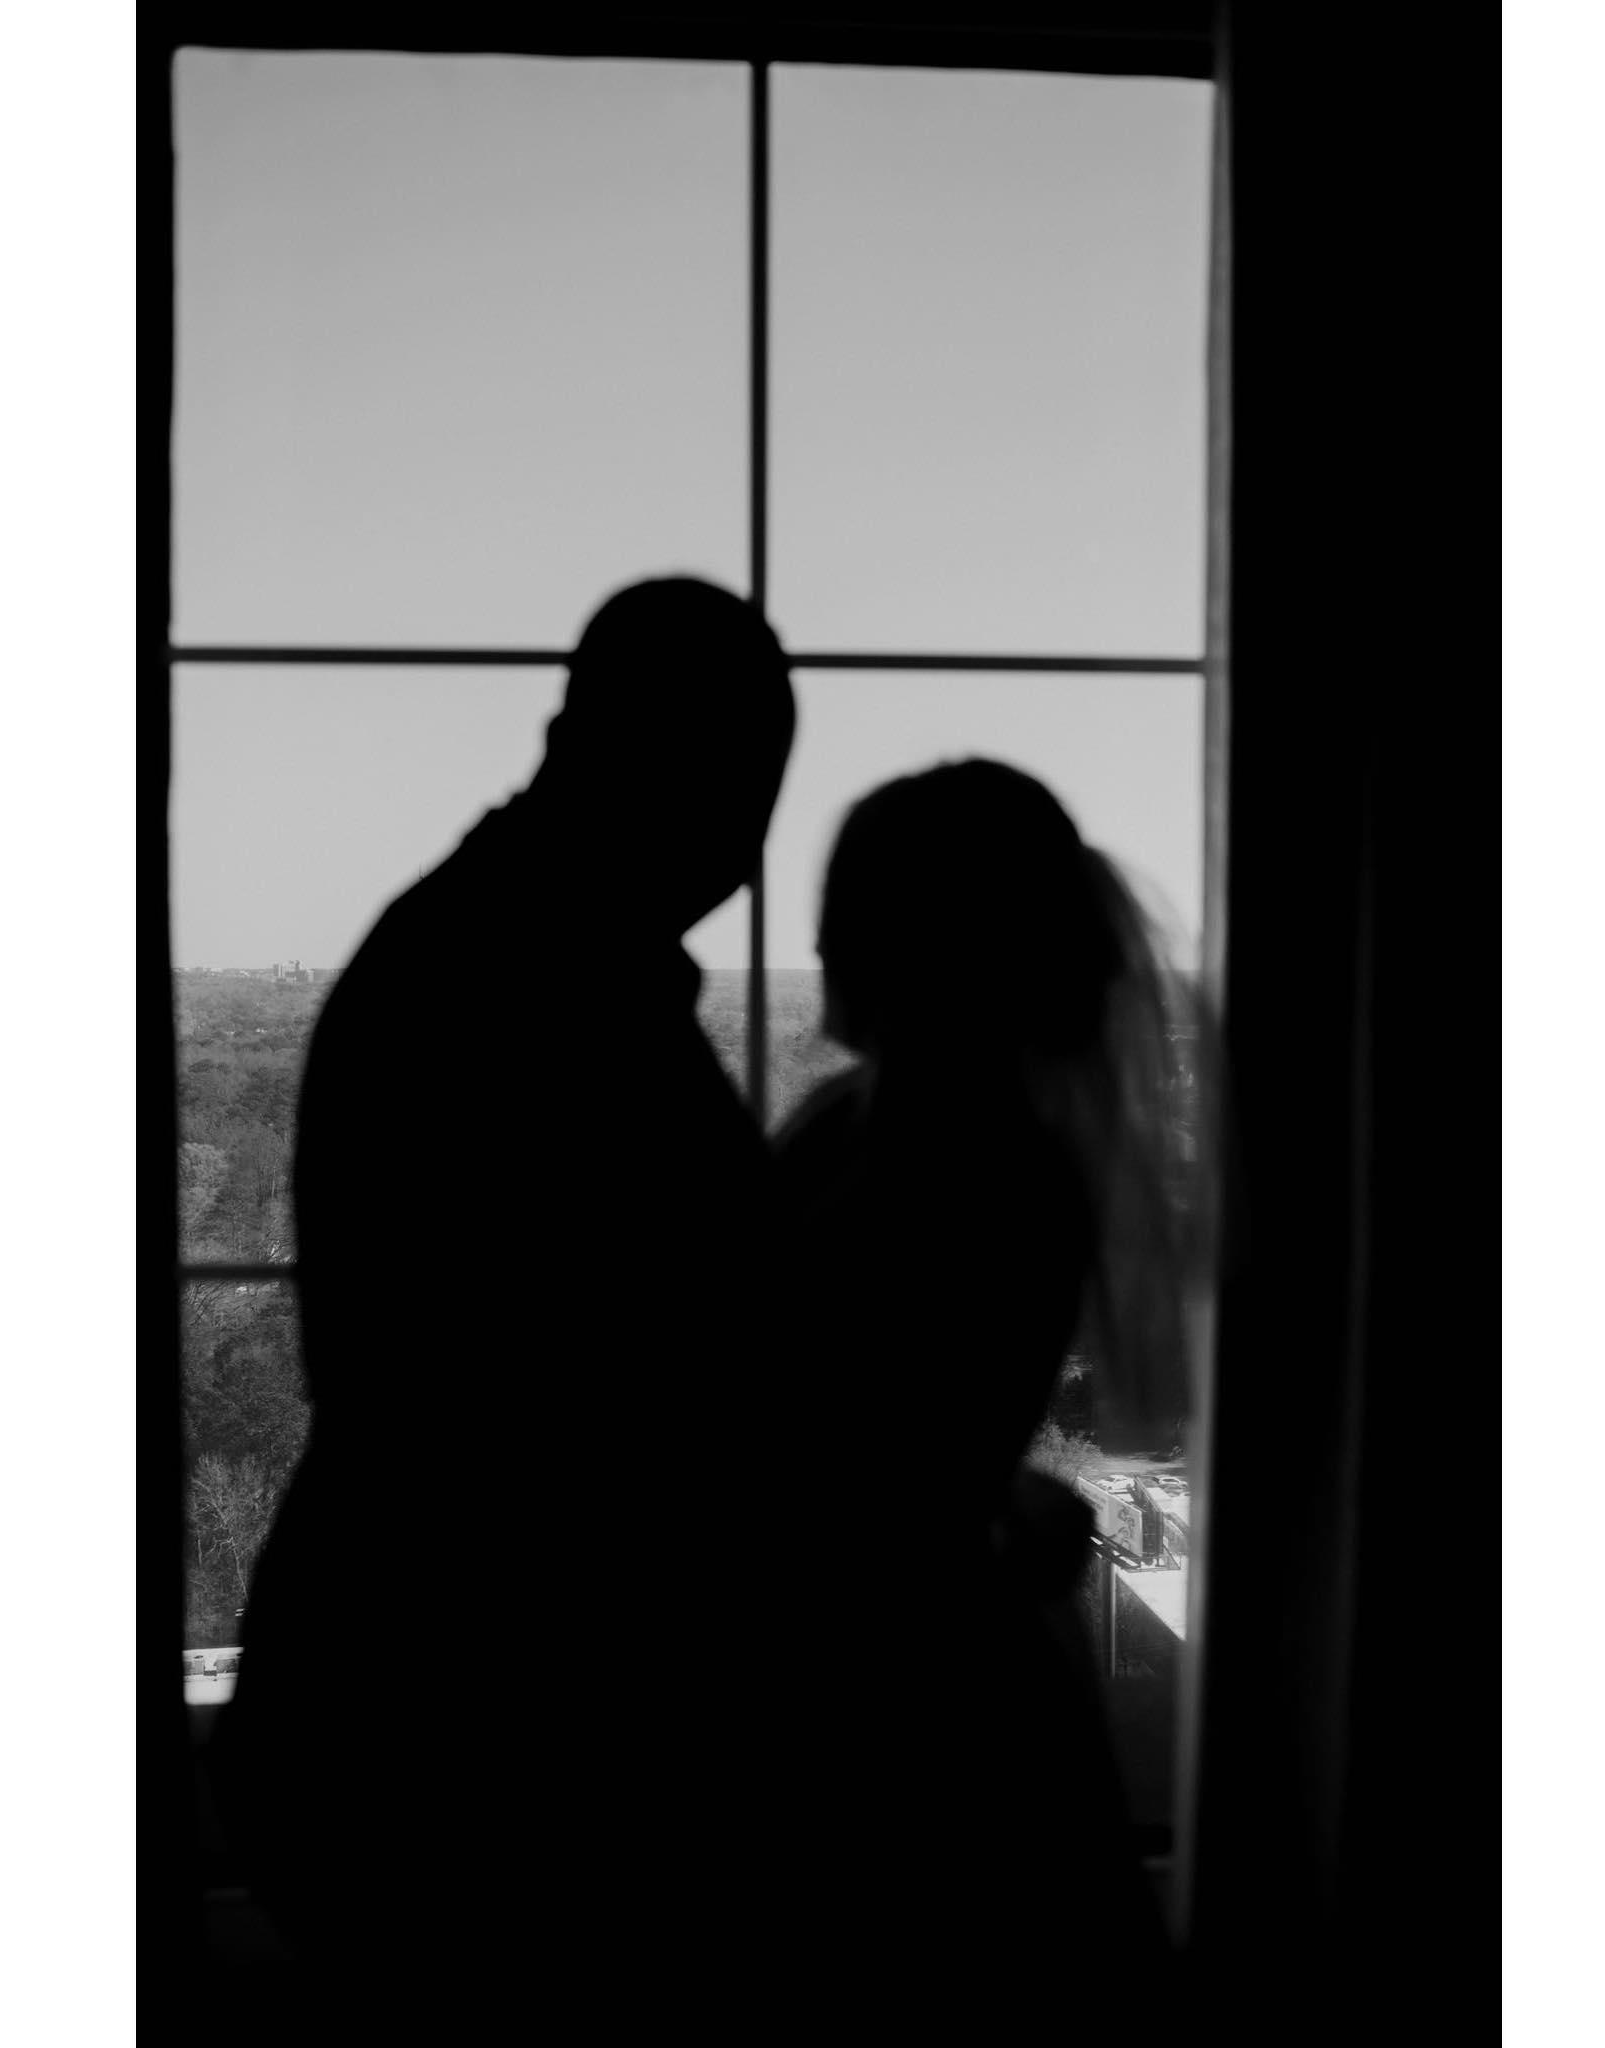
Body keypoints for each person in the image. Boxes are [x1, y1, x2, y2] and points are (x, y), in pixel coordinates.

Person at [208, 577, 797, 2028]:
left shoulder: (476, 946)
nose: (742, 857)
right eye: (732, 797)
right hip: (482, 1747)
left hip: (397, 1701)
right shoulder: (557, 998)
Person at [764, 756, 1211, 2025]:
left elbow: (894, 1450)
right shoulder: (873, 1123)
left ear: (936, 945)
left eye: (850, 908)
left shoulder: (990, 1168)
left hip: (892, 1676)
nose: (818, 940)